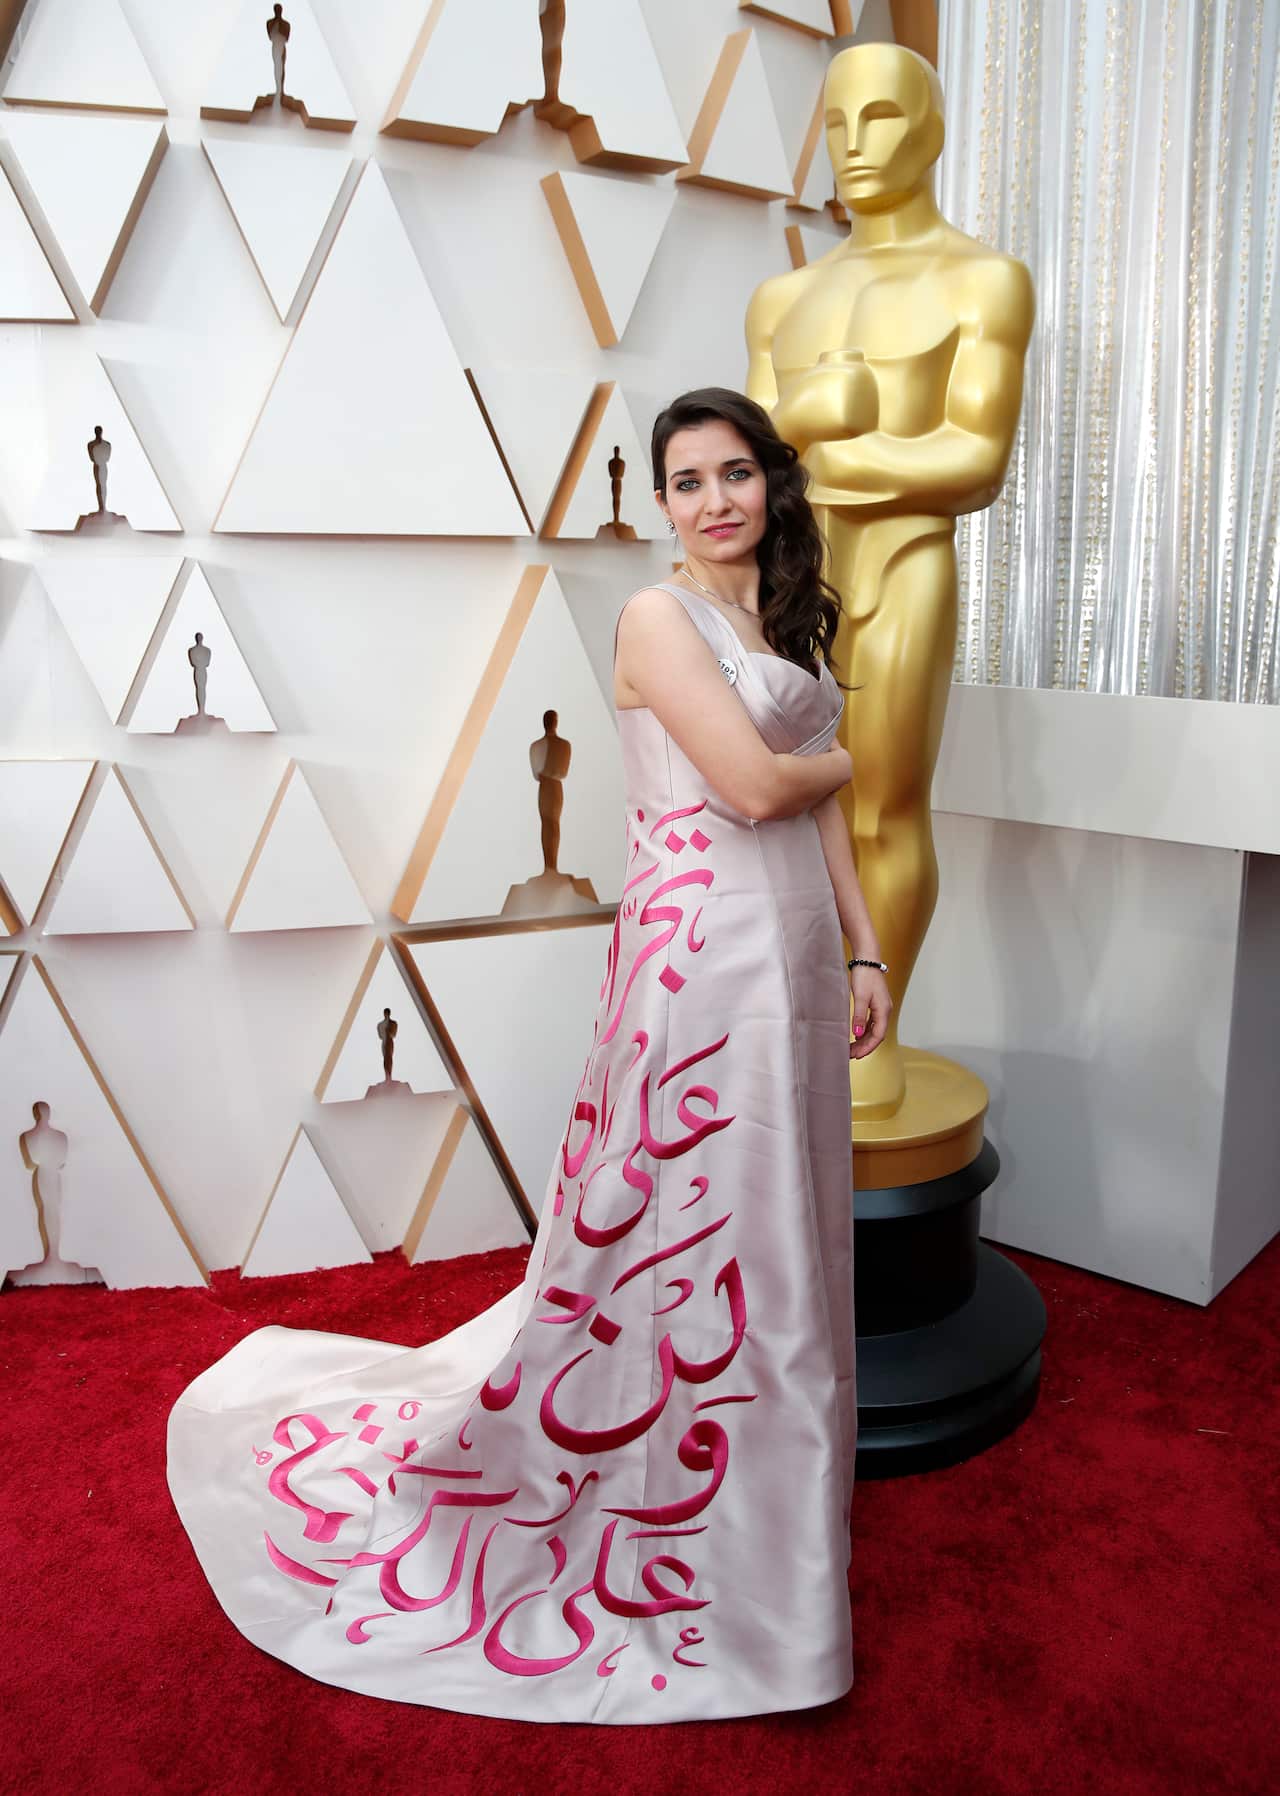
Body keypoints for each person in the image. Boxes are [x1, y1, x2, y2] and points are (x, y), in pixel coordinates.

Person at [166, 386, 891, 1725]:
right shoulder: (657, 618)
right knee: (695, 1226)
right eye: (687, 481)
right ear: (661, 504)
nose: (716, 500)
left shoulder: (774, 622)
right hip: (701, 955)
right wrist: (847, 758)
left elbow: (812, 808)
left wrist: (865, 948)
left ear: (771, 486)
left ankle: (768, 1500)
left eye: (736, 473)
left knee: (782, 1221)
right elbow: (755, 788)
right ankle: (680, 1507)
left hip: (790, 950)